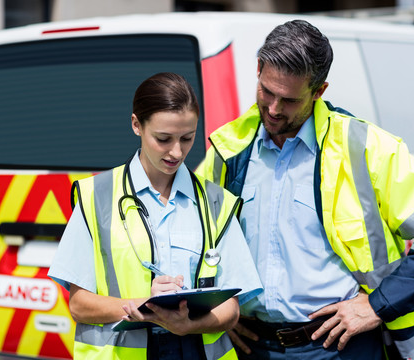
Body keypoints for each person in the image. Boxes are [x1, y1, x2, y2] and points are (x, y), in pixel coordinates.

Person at [196, 19, 414, 360]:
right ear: (258, 69)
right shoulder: (228, 151)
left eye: (288, 100)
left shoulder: (366, 148)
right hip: (252, 347)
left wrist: (378, 305)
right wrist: (216, 308)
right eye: (267, 92)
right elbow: (195, 239)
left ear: (319, 91)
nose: (272, 109)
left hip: (339, 348)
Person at [48, 72, 261, 360]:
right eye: (163, 139)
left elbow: (231, 308)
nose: (177, 151)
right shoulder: (95, 196)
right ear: (137, 125)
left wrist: (190, 325)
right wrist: (144, 306)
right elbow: (79, 305)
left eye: (187, 138)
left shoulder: (217, 203)